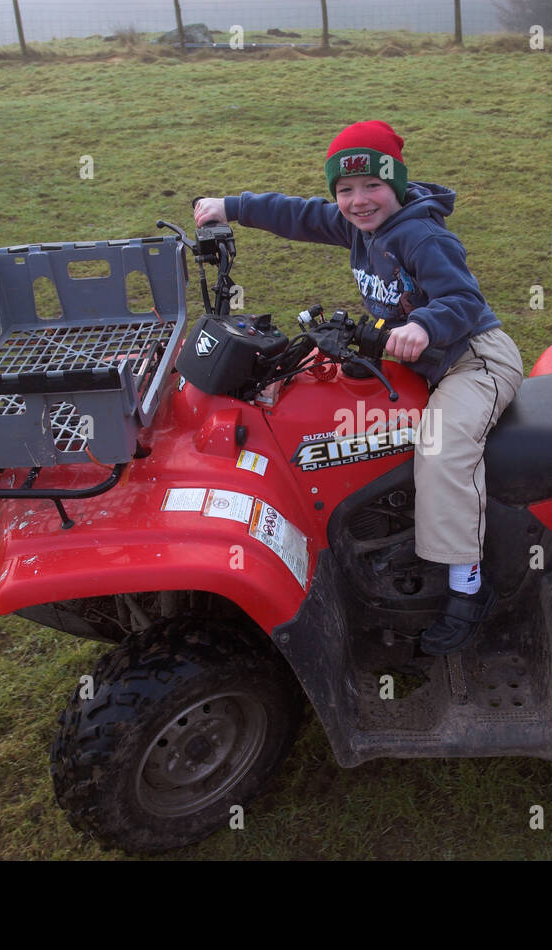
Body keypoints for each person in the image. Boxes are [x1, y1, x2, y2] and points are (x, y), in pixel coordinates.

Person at [194, 120, 523, 656]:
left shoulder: (423, 235)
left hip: (471, 359)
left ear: (396, 185)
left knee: (441, 450)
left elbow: (463, 301)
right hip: (415, 360)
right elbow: (294, 213)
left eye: (372, 186)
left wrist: (425, 325)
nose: (358, 200)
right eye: (345, 190)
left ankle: (468, 586)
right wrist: (228, 206)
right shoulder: (358, 227)